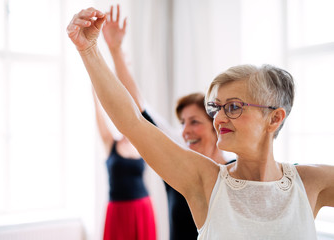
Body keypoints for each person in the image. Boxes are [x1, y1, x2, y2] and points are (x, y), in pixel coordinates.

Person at [67, 8, 334, 239]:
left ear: (274, 118)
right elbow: (134, 121)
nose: (218, 118)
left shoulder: (311, 181)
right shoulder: (204, 180)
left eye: (233, 107)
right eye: (216, 108)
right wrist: (89, 50)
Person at [101, 5, 234, 239]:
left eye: (194, 122)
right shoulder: (177, 158)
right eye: (182, 122)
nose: (185, 131)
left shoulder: (235, 170)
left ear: (216, 125)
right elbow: (138, 106)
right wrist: (115, 50)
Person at [92, 89, 156, 240]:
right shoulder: (110, 143)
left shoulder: (140, 145)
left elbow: (143, 111)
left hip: (142, 207)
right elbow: (99, 117)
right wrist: (94, 90)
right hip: (118, 209)